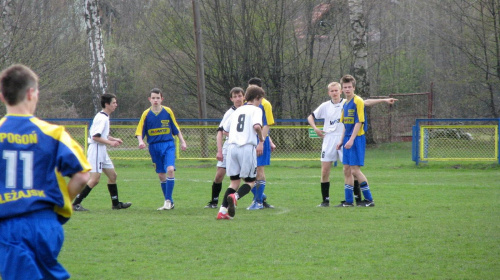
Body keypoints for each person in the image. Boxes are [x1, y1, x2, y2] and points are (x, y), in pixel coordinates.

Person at [0, 64, 91, 280]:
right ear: (31, 93)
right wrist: (63, 204)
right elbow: (82, 175)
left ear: (3, 96)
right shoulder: (54, 133)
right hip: (46, 223)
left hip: (9, 223)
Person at [308, 82, 397, 207]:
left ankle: (357, 199)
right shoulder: (325, 106)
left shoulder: (348, 102)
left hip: (344, 137)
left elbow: (366, 102)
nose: (334, 93)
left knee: (350, 170)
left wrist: (384, 100)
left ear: (341, 91)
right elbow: (310, 117)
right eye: (332, 91)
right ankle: (325, 201)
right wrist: (315, 128)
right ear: (329, 93)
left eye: (336, 90)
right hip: (329, 139)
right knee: (325, 171)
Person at [72, 93, 132, 211]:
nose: (116, 105)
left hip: (102, 150)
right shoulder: (101, 118)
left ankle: (115, 204)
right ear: (107, 104)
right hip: (97, 150)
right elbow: (95, 137)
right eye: (114, 102)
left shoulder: (104, 116)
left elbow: (103, 135)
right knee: (94, 179)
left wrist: (114, 139)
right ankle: (75, 204)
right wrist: (111, 143)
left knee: (113, 176)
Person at [217, 85, 265, 220]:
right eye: (260, 99)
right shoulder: (256, 110)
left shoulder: (236, 111)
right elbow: (256, 126)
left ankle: (222, 211)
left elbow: (224, 130)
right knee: (251, 181)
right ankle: (235, 197)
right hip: (246, 147)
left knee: (234, 182)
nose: (261, 102)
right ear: (257, 98)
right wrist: (261, 139)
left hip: (232, 148)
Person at [136, 88, 187, 210]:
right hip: (154, 146)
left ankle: (168, 201)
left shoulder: (168, 111)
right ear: (149, 99)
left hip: (168, 144)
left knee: (170, 169)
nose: (155, 100)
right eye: (153, 98)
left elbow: (176, 128)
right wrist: (140, 141)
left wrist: (183, 142)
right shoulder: (146, 114)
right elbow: (139, 131)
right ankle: (169, 202)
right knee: (161, 175)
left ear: (162, 99)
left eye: (158, 98)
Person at [335, 74, 376, 207]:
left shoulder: (357, 101)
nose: (347, 89)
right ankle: (348, 201)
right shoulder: (345, 104)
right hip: (347, 138)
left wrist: (351, 139)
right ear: (342, 89)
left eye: (349, 87)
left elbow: (359, 122)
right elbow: (345, 126)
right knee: (346, 169)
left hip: (356, 138)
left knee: (355, 170)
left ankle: (369, 200)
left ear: (354, 87)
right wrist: (341, 141)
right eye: (345, 87)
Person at [205, 87, 245, 208]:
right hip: (229, 146)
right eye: (235, 96)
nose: (238, 98)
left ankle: (259, 199)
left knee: (247, 176)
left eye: (240, 96)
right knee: (219, 175)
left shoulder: (248, 110)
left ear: (244, 97)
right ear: (231, 99)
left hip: (244, 146)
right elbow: (221, 132)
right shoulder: (229, 113)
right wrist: (219, 151)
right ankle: (214, 201)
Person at [246, 77, 276, 210]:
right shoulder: (247, 105)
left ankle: (258, 201)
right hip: (248, 142)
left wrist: (262, 142)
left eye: (252, 88)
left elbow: (267, 124)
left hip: (260, 141)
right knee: (244, 172)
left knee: (259, 170)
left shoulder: (265, 104)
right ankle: (260, 195)